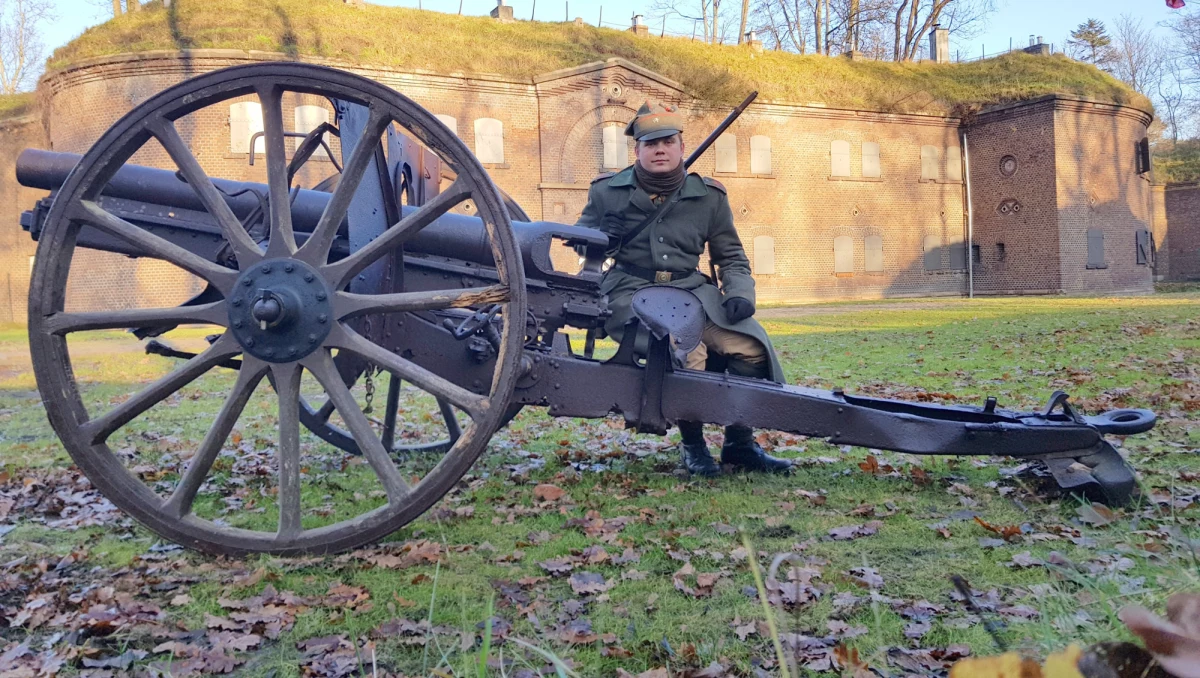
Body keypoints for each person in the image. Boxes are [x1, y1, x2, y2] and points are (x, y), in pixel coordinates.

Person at [576, 101, 792, 476]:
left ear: (680, 146)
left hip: (692, 292)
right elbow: (578, 244)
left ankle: (739, 442)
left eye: (668, 141)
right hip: (632, 293)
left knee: (751, 347)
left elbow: (732, 255)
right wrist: (598, 238)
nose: (660, 149)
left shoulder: (708, 196)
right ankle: (693, 447)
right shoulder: (607, 192)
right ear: (637, 150)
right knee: (687, 350)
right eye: (650, 143)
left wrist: (739, 293)